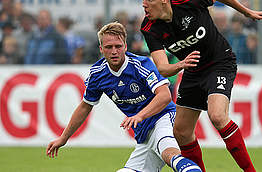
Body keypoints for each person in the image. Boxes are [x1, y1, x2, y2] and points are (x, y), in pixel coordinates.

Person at [46, 22, 202, 172]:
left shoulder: (141, 64)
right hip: (144, 134)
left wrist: (139, 116)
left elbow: (165, 96)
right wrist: (63, 138)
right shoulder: (98, 73)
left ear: (125, 47)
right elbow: (85, 106)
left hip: (164, 118)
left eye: (118, 46)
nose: (114, 51)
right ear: (101, 49)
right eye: (109, 47)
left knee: (170, 154)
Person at [140, 0, 262, 171]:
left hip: (219, 62)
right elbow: (162, 67)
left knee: (217, 115)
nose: (144, 4)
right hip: (192, 71)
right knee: (181, 132)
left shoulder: (189, 0)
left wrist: (246, 12)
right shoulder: (149, 27)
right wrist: (182, 65)